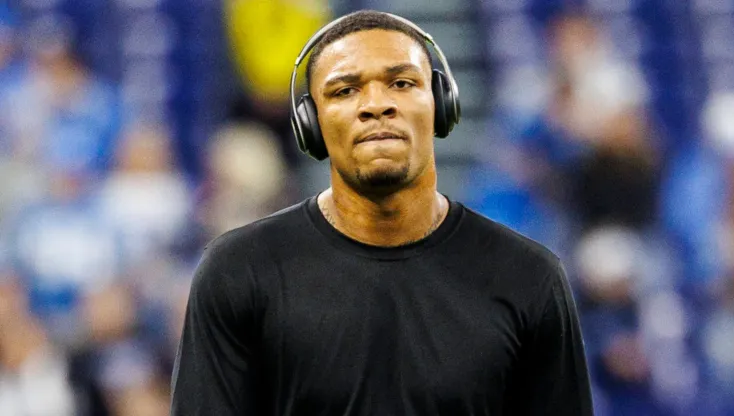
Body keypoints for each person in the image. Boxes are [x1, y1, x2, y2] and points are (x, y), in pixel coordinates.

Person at [170, 10, 593, 415]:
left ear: (442, 105)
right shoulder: (239, 272)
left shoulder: (528, 277)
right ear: (310, 124)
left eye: (402, 83)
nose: (376, 105)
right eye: (344, 90)